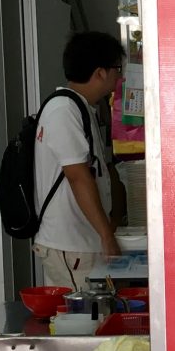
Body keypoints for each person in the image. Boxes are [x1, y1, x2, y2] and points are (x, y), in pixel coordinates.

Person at [32, 31, 124, 286]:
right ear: (100, 73)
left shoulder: (81, 108)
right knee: (84, 323)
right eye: (117, 68)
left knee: (94, 320)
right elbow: (78, 177)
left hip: (81, 243)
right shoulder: (64, 110)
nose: (120, 76)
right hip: (71, 246)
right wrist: (106, 235)